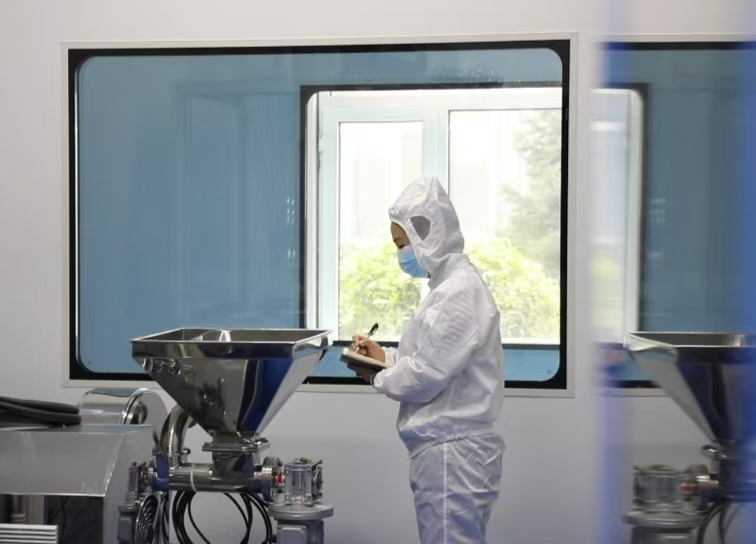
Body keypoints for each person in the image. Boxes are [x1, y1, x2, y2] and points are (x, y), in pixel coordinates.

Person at [349, 177, 505, 544]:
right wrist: (384, 358)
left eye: (401, 244)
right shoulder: (448, 289)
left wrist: (375, 375)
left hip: (453, 454)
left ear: (427, 234)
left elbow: (424, 377)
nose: (400, 254)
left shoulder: (458, 293)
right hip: (450, 451)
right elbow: (427, 360)